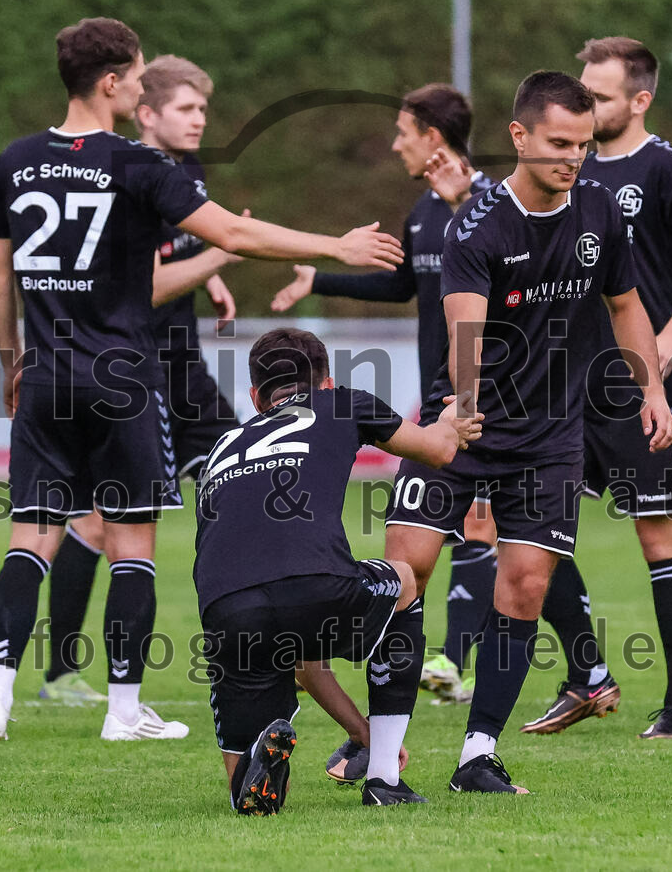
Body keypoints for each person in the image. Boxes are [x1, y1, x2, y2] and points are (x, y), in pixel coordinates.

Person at [0, 16, 403, 742]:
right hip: (125, 380)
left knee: (29, 539)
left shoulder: (15, 161)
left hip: (43, 377)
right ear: (110, 83)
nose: (140, 87)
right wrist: (338, 244)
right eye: (136, 76)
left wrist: (13, 356)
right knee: (133, 544)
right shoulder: (136, 164)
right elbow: (233, 233)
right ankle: (123, 710)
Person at [383, 70, 672, 794]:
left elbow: (626, 302)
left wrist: (653, 387)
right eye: (557, 144)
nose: (571, 159)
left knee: (523, 585)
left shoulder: (600, 210)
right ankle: (375, 745)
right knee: (402, 573)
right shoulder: (478, 225)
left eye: (581, 145)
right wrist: (464, 406)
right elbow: (465, 328)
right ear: (519, 136)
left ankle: (476, 754)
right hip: (462, 426)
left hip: (550, 437)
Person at [523, 37, 672, 740]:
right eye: (582, 88)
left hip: (644, 385)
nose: (586, 102)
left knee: (660, 534)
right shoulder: (565, 171)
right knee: (524, 524)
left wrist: (665, 345)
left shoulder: (664, 168)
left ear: (640, 100)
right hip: (567, 383)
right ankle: (587, 674)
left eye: (600, 94)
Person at [271, 84, 498, 705]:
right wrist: (321, 276)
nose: (395, 142)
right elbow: (405, 286)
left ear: (432, 135)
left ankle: (454, 660)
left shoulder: (493, 203)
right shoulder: (424, 211)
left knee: (487, 530)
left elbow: (511, 272)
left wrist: (467, 202)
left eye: (403, 131)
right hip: (436, 398)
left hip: (490, 396)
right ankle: (574, 671)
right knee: (432, 540)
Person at [195, 328, 482, 813]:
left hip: (226, 610)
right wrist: (455, 417)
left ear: (253, 397)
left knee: (249, 795)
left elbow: (304, 663)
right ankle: (384, 775)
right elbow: (437, 450)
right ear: (326, 383)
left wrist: (357, 731)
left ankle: (255, 770)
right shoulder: (342, 402)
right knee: (405, 579)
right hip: (318, 588)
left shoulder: (222, 448)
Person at [39, 54, 243, 706]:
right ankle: (61, 672)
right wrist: (220, 254)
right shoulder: (124, 179)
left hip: (185, 371)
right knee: (100, 522)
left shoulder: (188, 172)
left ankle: (244, 646)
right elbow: (147, 284)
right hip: (134, 373)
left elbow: (182, 241)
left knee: (245, 480)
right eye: (186, 109)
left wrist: (211, 276)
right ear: (146, 113)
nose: (199, 120)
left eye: (203, 110)